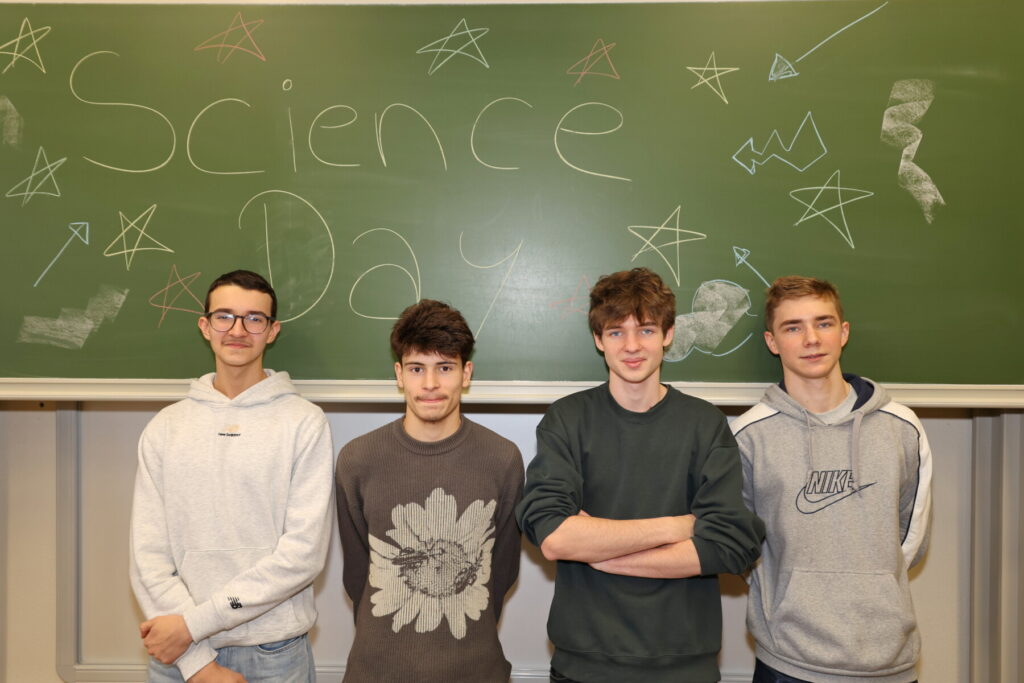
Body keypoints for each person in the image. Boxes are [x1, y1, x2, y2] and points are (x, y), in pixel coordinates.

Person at [516, 267, 765, 683]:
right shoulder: (567, 420)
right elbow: (555, 536)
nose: (632, 346)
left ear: (669, 334)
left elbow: (731, 545)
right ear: (598, 340)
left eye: (646, 330)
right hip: (584, 666)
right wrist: (681, 525)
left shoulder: (705, 425)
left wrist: (599, 550)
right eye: (616, 332)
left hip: (684, 667)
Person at [129, 270, 335, 683]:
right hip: (179, 657)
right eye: (224, 316)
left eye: (254, 319)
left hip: (273, 656)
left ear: (272, 331)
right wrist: (197, 662)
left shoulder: (304, 423)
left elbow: (302, 556)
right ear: (205, 326)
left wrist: (194, 624)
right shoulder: (166, 427)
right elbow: (148, 556)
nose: (237, 330)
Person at [731, 276, 933, 683]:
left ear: (843, 333)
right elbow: (743, 546)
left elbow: (910, 541)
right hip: (787, 661)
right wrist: (788, 594)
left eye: (823, 323)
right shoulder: (748, 435)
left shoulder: (902, 427)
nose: (811, 339)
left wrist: (871, 583)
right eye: (793, 327)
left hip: (888, 660)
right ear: (772, 342)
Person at [335, 299, 524, 682]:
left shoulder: (502, 459)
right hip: (377, 671)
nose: (431, 384)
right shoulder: (357, 460)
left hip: (475, 670)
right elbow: (358, 573)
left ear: (466, 373)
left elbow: (501, 571)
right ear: (399, 374)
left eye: (445, 368)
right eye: (417, 368)